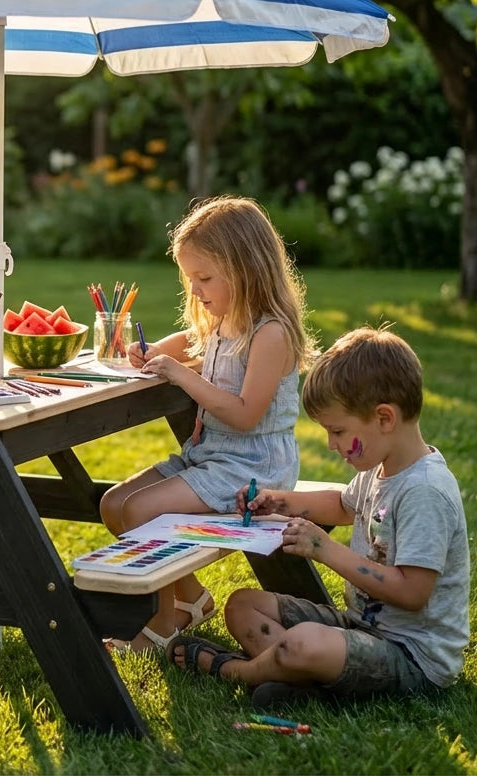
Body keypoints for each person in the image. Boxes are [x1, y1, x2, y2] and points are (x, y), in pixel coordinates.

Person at [166, 326, 470, 709]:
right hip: (362, 627)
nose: (331, 444)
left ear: (385, 418)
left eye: (338, 431)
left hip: (410, 657)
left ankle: (233, 670)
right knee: (242, 605)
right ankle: (300, 676)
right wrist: (277, 501)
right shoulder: (382, 468)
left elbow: (412, 593)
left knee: (305, 641)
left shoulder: (424, 490)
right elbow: (342, 505)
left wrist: (325, 549)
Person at [100, 195, 316, 654]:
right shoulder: (222, 319)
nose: (195, 290)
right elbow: (187, 340)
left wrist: (179, 373)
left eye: (204, 278)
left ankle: (160, 621)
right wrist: (154, 349)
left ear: (245, 269)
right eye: (190, 278)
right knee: (114, 504)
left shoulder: (270, 332)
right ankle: (192, 597)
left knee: (140, 512)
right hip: (209, 457)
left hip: (253, 469)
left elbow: (244, 413)